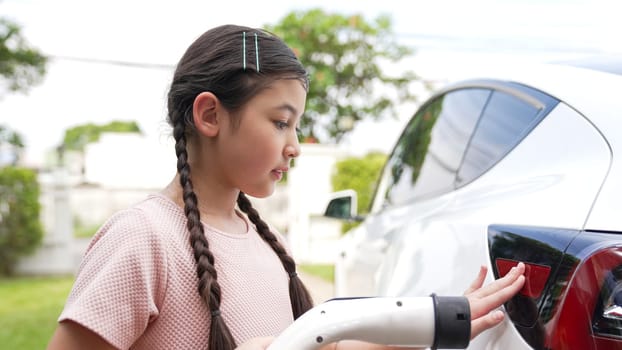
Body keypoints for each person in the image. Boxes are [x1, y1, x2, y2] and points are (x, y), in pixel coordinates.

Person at [47, 24, 525, 350]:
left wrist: (442, 319)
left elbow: (326, 342)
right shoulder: (143, 239)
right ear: (210, 115)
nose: (294, 146)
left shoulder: (263, 241)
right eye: (280, 123)